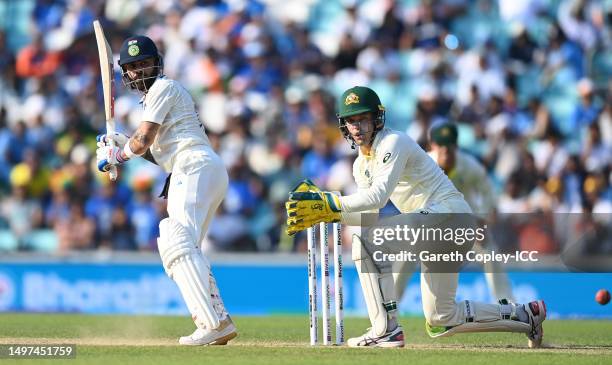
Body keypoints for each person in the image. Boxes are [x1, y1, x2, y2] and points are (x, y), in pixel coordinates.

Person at [285, 86, 545, 348]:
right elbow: (368, 215)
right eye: (351, 121)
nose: (357, 126)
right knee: (441, 319)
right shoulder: (360, 165)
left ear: (377, 119)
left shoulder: (393, 142)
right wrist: (328, 216)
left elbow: (378, 197)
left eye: (363, 118)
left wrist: (327, 203)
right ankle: (526, 315)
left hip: (450, 216)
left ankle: (385, 329)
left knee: (366, 243)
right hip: (437, 229)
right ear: (343, 125)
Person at [96, 35, 237, 345]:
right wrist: (120, 143)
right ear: (125, 73)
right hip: (194, 168)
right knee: (187, 249)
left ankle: (211, 324)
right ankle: (219, 320)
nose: (139, 71)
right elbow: (156, 152)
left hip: (193, 166)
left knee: (173, 236)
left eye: (144, 63)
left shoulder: (164, 87)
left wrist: (116, 157)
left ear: (156, 63)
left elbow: (143, 139)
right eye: (132, 67)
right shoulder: (155, 99)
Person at [393, 121, 515, 302]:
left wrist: (481, 219)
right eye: (441, 145)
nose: (446, 150)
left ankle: (507, 303)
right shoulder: (422, 164)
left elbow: (487, 191)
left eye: (449, 145)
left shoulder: (469, 165)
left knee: (488, 251)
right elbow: (405, 193)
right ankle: (389, 304)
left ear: (456, 145)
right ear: (433, 144)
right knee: (407, 252)